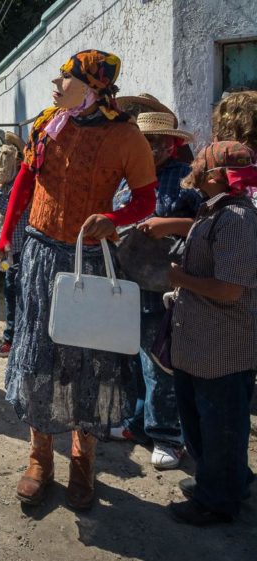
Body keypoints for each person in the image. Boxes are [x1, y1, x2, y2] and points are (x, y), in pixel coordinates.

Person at [0, 50, 157, 510]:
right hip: (41, 256)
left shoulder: (126, 137)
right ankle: (38, 460)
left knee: (86, 363)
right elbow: (24, 183)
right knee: (37, 355)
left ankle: (83, 465)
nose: (55, 84)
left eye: (64, 78)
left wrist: (114, 217)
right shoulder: (49, 124)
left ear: (90, 87)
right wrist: (7, 235)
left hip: (88, 261)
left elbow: (145, 200)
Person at [167, 141, 257, 526]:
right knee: (206, 424)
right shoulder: (214, 210)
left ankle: (216, 502)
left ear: (217, 174)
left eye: (202, 159)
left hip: (223, 349)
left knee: (221, 429)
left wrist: (178, 278)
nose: (194, 161)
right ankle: (225, 483)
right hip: (201, 345)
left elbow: (229, 290)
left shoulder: (237, 218)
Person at [109, 111, 201, 469]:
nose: (150, 148)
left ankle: (168, 435)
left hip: (163, 282)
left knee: (161, 361)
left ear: (171, 144)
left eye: (156, 141)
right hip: (128, 278)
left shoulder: (184, 179)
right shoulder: (127, 178)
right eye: (143, 141)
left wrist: (170, 225)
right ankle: (137, 424)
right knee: (132, 354)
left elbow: (207, 226)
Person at [0, 139, 26, 357]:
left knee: (13, 293)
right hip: (12, 249)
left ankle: (10, 342)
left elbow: (8, 209)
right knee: (11, 291)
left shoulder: (18, 183)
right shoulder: (13, 182)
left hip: (17, 250)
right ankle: (11, 337)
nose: (0, 164)